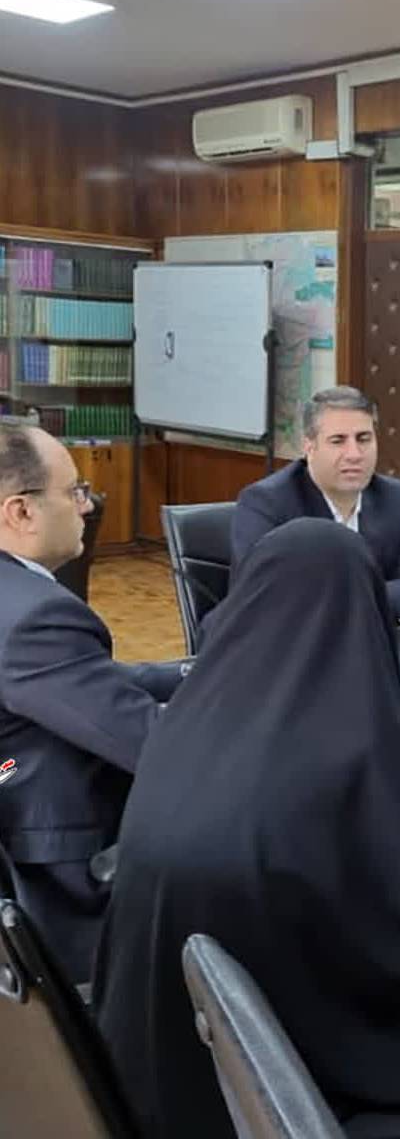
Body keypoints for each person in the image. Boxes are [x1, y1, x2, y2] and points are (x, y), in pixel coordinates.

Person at [94, 520, 400, 1138]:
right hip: (294, 1091)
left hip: (163, 1080)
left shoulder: (189, 724)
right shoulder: (343, 754)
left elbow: (325, 811)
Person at [0, 421, 182, 982]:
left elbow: (83, 681)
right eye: (74, 490)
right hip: (66, 878)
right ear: (21, 511)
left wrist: (200, 672)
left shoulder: (17, 602)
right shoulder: (35, 616)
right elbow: (156, 747)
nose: (87, 506)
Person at [231, 385, 400, 618]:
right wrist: (363, 598)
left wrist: (342, 600)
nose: (354, 454)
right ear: (309, 446)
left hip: (371, 636)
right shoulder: (267, 503)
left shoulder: (394, 497)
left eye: (364, 439)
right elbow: (264, 598)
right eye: (338, 441)